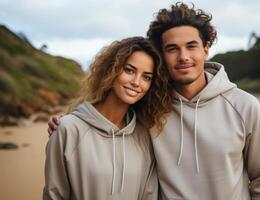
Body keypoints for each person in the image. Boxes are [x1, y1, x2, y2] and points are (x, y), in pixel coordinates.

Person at [48, 2, 260, 200]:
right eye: (172, 49)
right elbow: (110, 120)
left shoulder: (244, 106)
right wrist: (71, 124)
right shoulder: (151, 106)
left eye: (191, 46)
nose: (183, 57)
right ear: (162, 55)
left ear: (206, 50)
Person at [43, 36, 172, 200]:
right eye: (129, 70)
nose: (136, 82)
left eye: (146, 77)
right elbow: (54, 195)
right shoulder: (68, 129)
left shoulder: (144, 135)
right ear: (112, 70)